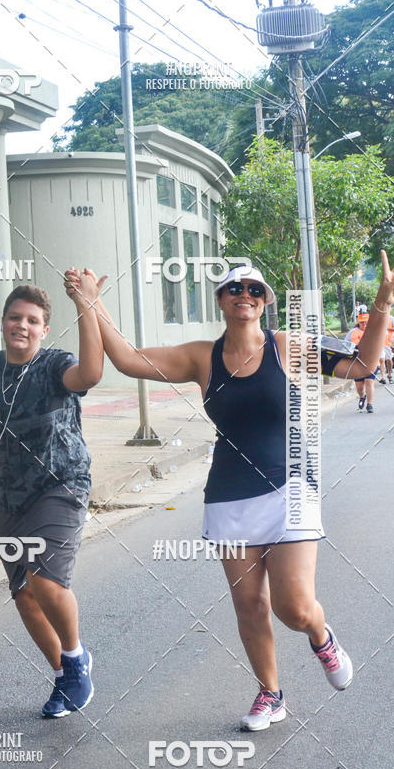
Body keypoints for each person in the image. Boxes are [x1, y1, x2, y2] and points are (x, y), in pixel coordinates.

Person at [66, 251, 394, 731]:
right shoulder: (203, 356)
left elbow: (364, 366)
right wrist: (91, 303)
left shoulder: (288, 347)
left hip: (290, 488)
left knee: (293, 606)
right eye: (236, 288)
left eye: (255, 290)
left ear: (266, 303)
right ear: (221, 299)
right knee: (250, 605)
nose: (246, 295)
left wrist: (383, 299)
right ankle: (270, 693)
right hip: (229, 496)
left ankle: (321, 635)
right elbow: (127, 358)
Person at [0, 283, 103, 718]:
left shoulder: (55, 365)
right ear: (3, 322)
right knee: (26, 594)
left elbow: (89, 375)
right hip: (8, 499)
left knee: (47, 581)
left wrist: (84, 306)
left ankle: (74, 656)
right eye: (16, 317)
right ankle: (69, 675)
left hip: (61, 486)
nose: (22, 326)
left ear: (44, 330)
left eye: (32, 321)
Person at [345, 314, 378, 411]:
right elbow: (345, 345)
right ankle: (362, 397)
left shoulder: (375, 331)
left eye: (366, 322)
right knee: (359, 387)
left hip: (371, 362)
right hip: (357, 362)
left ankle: (369, 404)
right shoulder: (352, 332)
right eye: (362, 322)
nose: (364, 324)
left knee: (369, 381)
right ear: (358, 322)